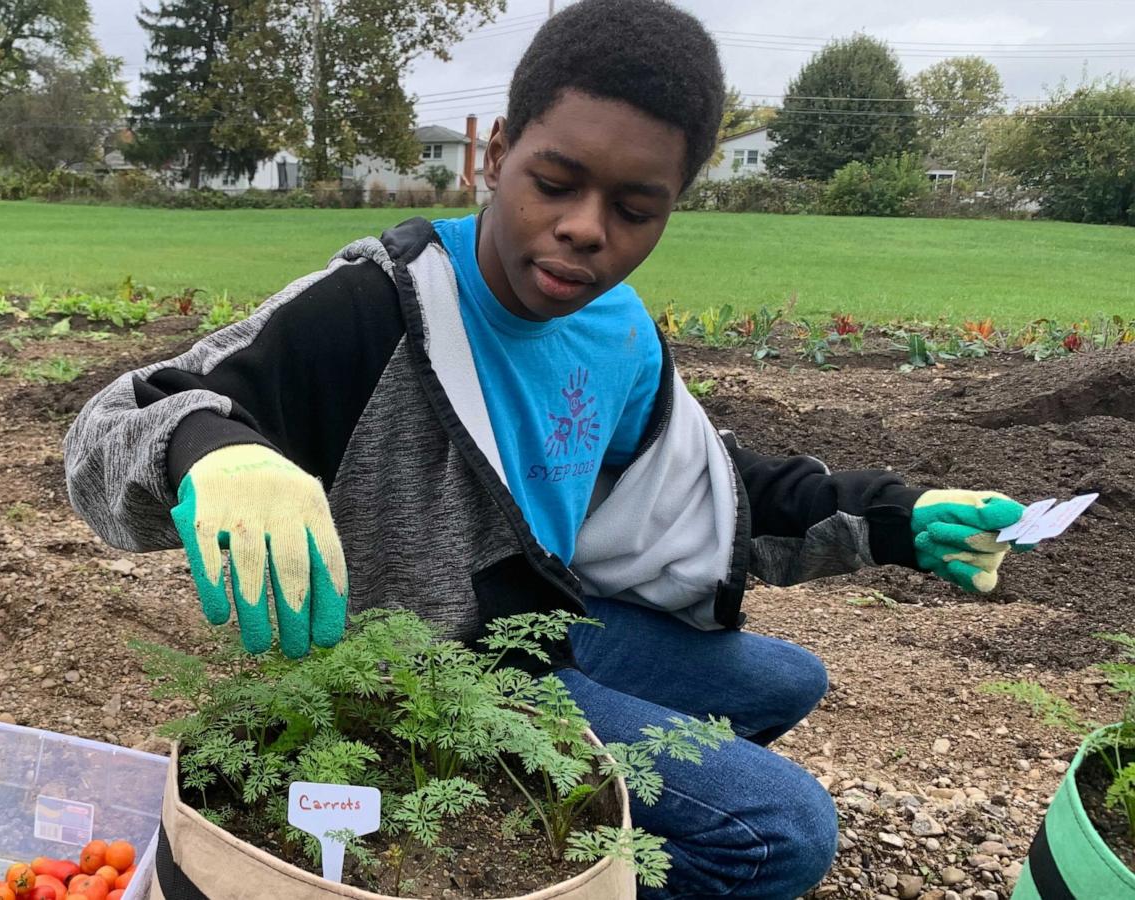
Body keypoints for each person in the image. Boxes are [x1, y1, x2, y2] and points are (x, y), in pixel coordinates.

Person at [63, 0, 1029, 895]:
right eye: (555, 183)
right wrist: (215, 449)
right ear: (495, 156)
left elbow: (703, 481)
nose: (583, 230)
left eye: (634, 209)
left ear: (673, 205)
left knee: (787, 679)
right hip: (414, 679)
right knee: (783, 831)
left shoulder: (618, 334)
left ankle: (571, 825)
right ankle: (514, 857)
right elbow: (112, 427)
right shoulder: (378, 311)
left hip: (538, 629)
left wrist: (896, 521)